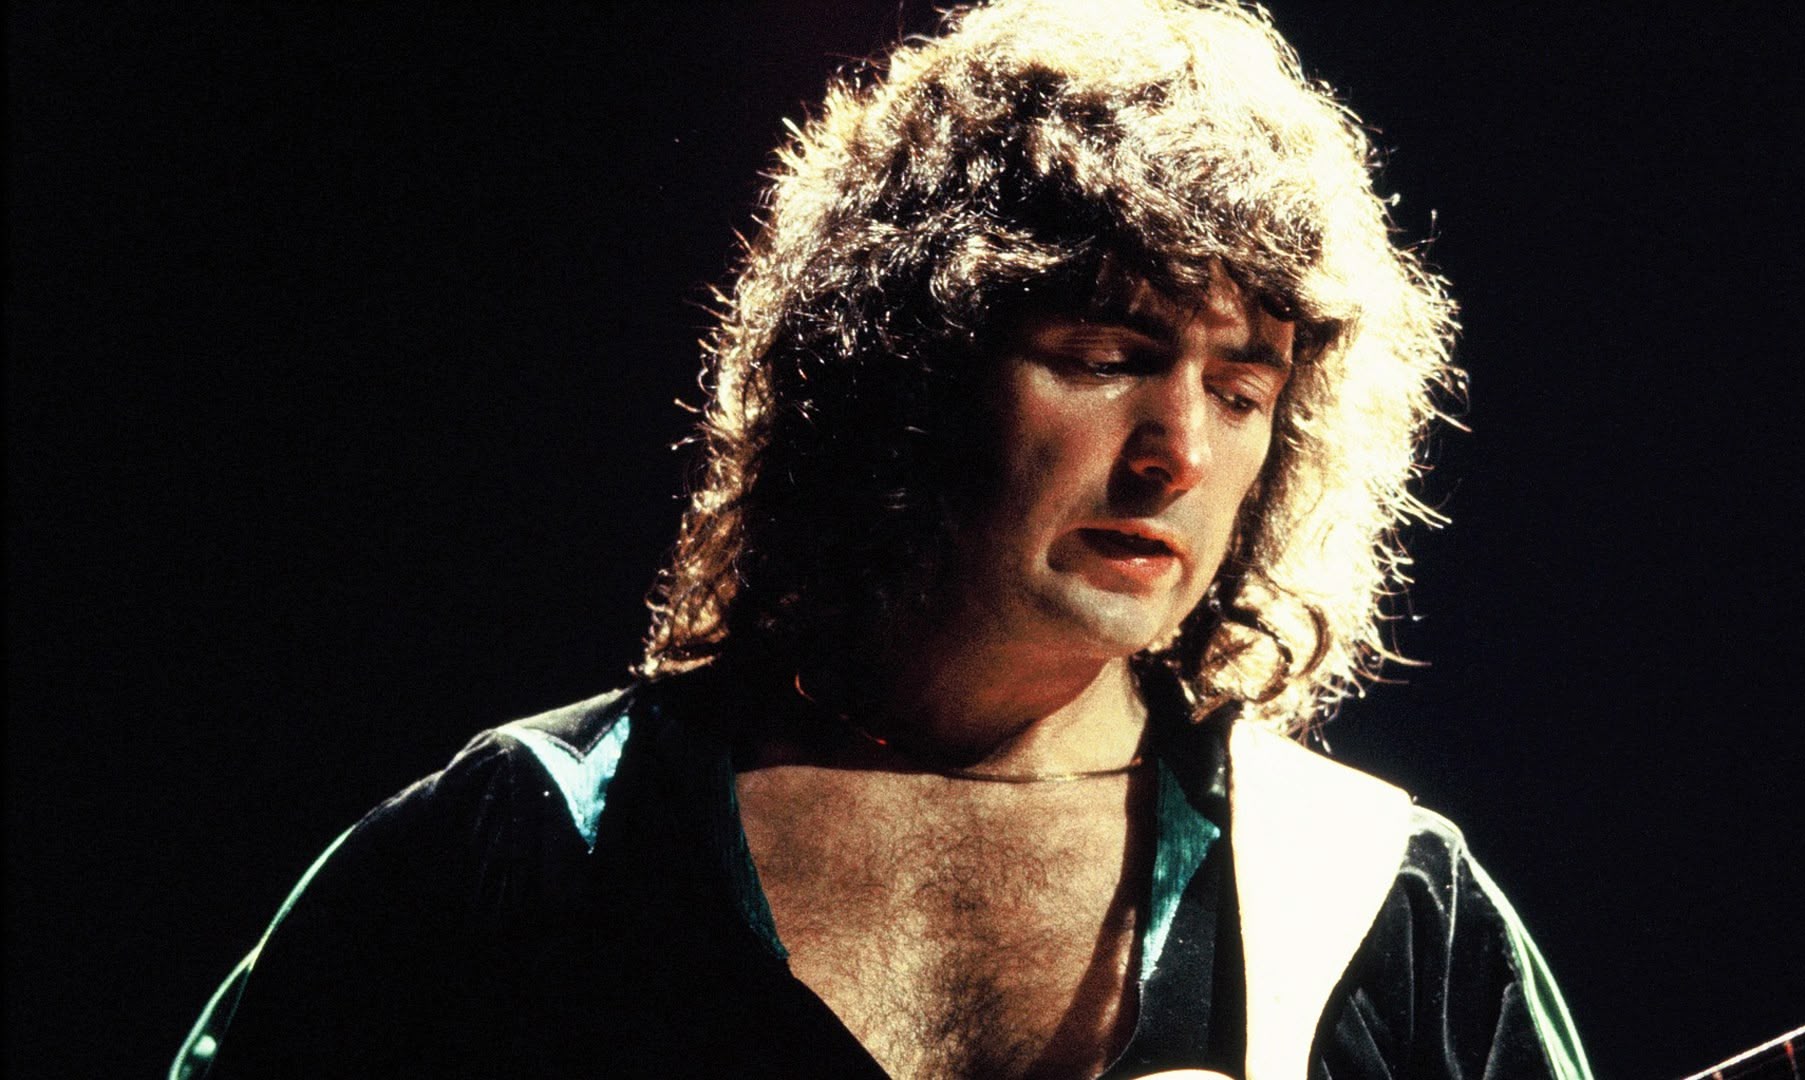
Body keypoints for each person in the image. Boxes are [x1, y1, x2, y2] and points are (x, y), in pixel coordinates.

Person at [173, 1, 1592, 1076]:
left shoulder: (1378, 905)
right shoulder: (534, 842)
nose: (1178, 452)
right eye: (1104, 356)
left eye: (1241, 391)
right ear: (906, 370)